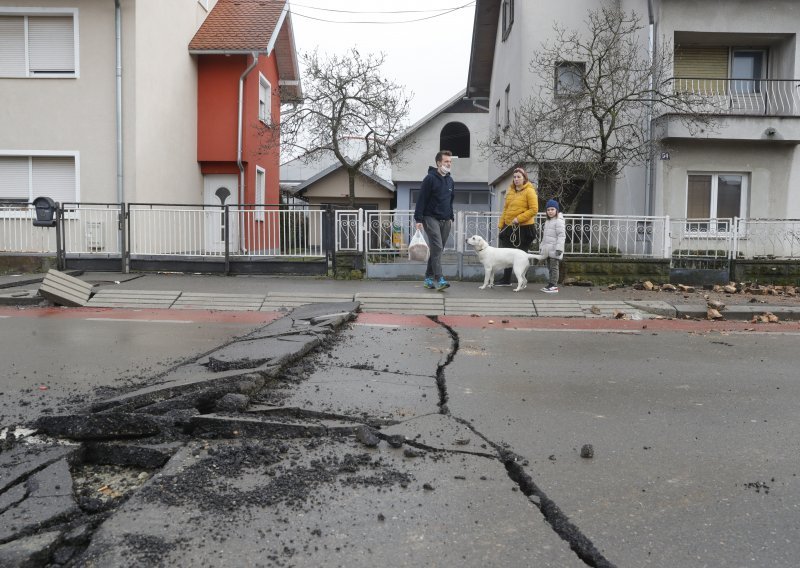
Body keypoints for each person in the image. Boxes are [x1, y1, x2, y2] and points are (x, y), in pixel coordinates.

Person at [414, 150, 455, 291]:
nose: (448, 164)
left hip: (446, 220)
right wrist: (418, 219)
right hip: (430, 217)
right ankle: (440, 279)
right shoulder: (429, 178)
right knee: (437, 247)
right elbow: (421, 199)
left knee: (437, 250)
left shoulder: (450, 180)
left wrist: (451, 217)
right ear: (439, 163)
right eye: (446, 161)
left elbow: (450, 201)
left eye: (450, 161)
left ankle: (428, 278)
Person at [495, 167, 539, 286]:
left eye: (519, 177)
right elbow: (506, 209)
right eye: (514, 177)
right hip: (509, 227)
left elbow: (534, 209)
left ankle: (523, 281)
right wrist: (501, 224)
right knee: (507, 254)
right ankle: (506, 279)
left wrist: (518, 219)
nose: (516, 179)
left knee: (522, 255)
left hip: (524, 228)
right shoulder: (510, 191)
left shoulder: (529, 191)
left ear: (524, 178)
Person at [539, 199, 566, 293]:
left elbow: (561, 236)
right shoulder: (548, 221)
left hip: (555, 250)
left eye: (552, 209)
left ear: (556, 210)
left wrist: (559, 249)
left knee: (554, 268)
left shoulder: (558, 221)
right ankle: (550, 284)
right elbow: (544, 237)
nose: (550, 211)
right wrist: (542, 247)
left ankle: (554, 286)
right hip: (548, 250)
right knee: (549, 267)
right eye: (548, 210)